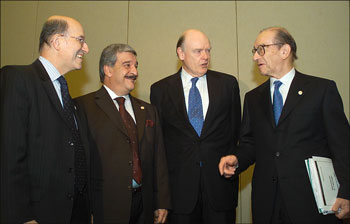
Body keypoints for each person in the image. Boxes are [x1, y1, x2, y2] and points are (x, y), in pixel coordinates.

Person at [219, 27, 350, 224]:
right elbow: (250, 144)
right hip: (267, 203)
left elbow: (342, 146)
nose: (255, 57)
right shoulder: (253, 99)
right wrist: (237, 159)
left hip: (311, 203)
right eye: (254, 50)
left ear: (284, 51)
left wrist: (346, 193)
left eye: (261, 49)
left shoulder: (321, 90)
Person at [0, 15, 93, 223]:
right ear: (57, 42)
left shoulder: (68, 95)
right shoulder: (18, 79)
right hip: (38, 215)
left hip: (75, 212)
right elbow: (9, 155)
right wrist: (21, 216)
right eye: (80, 39)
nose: (86, 48)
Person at [150, 29, 241, 224]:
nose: (205, 56)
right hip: (179, 194)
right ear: (181, 54)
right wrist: (160, 196)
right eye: (198, 51)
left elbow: (235, 133)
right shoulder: (160, 90)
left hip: (220, 190)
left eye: (208, 50)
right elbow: (158, 146)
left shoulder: (227, 85)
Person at [75, 43, 171, 224]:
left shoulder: (149, 111)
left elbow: (159, 159)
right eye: (127, 65)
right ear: (108, 70)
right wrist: (85, 210)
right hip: (104, 207)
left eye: (136, 66)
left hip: (144, 206)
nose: (134, 71)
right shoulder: (83, 107)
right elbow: (80, 163)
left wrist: (162, 201)